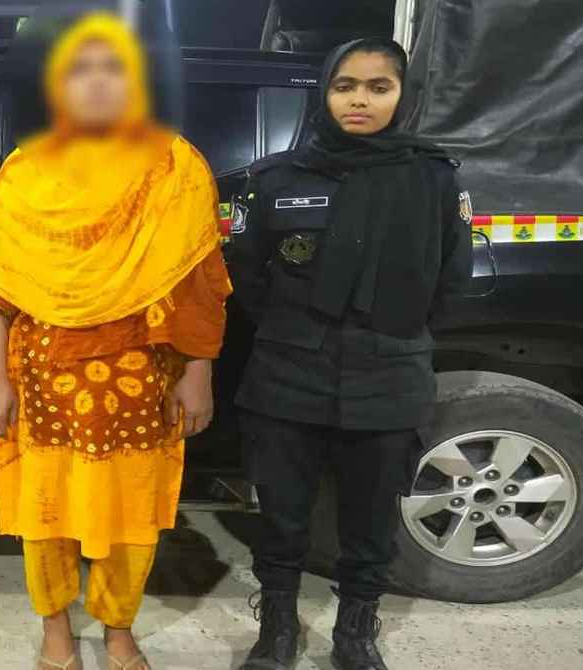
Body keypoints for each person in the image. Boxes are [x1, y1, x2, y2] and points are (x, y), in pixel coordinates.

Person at [0, 13, 231, 670]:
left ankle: (119, 629)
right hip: (40, 377)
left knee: (130, 514)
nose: (95, 82)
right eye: (78, 69)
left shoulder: (173, 166)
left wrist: (197, 372)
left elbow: (201, 282)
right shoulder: (24, 173)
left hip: (140, 376)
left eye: (111, 67)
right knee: (45, 512)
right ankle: (55, 627)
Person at [227, 38, 473, 670]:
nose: (360, 100)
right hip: (288, 374)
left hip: (390, 373)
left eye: (378, 87)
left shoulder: (434, 178)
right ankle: (277, 628)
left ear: (403, 94)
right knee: (281, 517)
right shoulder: (276, 178)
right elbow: (247, 276)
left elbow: (451, 279)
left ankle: (355, 632)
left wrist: (394, 334)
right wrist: (298, 329)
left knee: (370, 522)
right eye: (345, 86)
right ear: (324, 93)